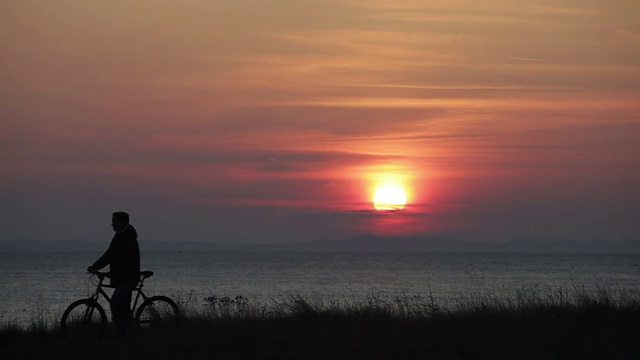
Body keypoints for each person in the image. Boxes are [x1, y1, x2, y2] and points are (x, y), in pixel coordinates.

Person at [87, 211, 141, 332]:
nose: (112, 224)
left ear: (122, 222)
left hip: (127, 277)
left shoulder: (127, 237)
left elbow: (126, 260)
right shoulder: (119, 236)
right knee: (121, 305)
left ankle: (129, 331)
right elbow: (109, 255)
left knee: (117, 303)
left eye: (114, 221)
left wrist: (113, 272)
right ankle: (124, 331)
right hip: (122, 277)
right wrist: (95, 266)